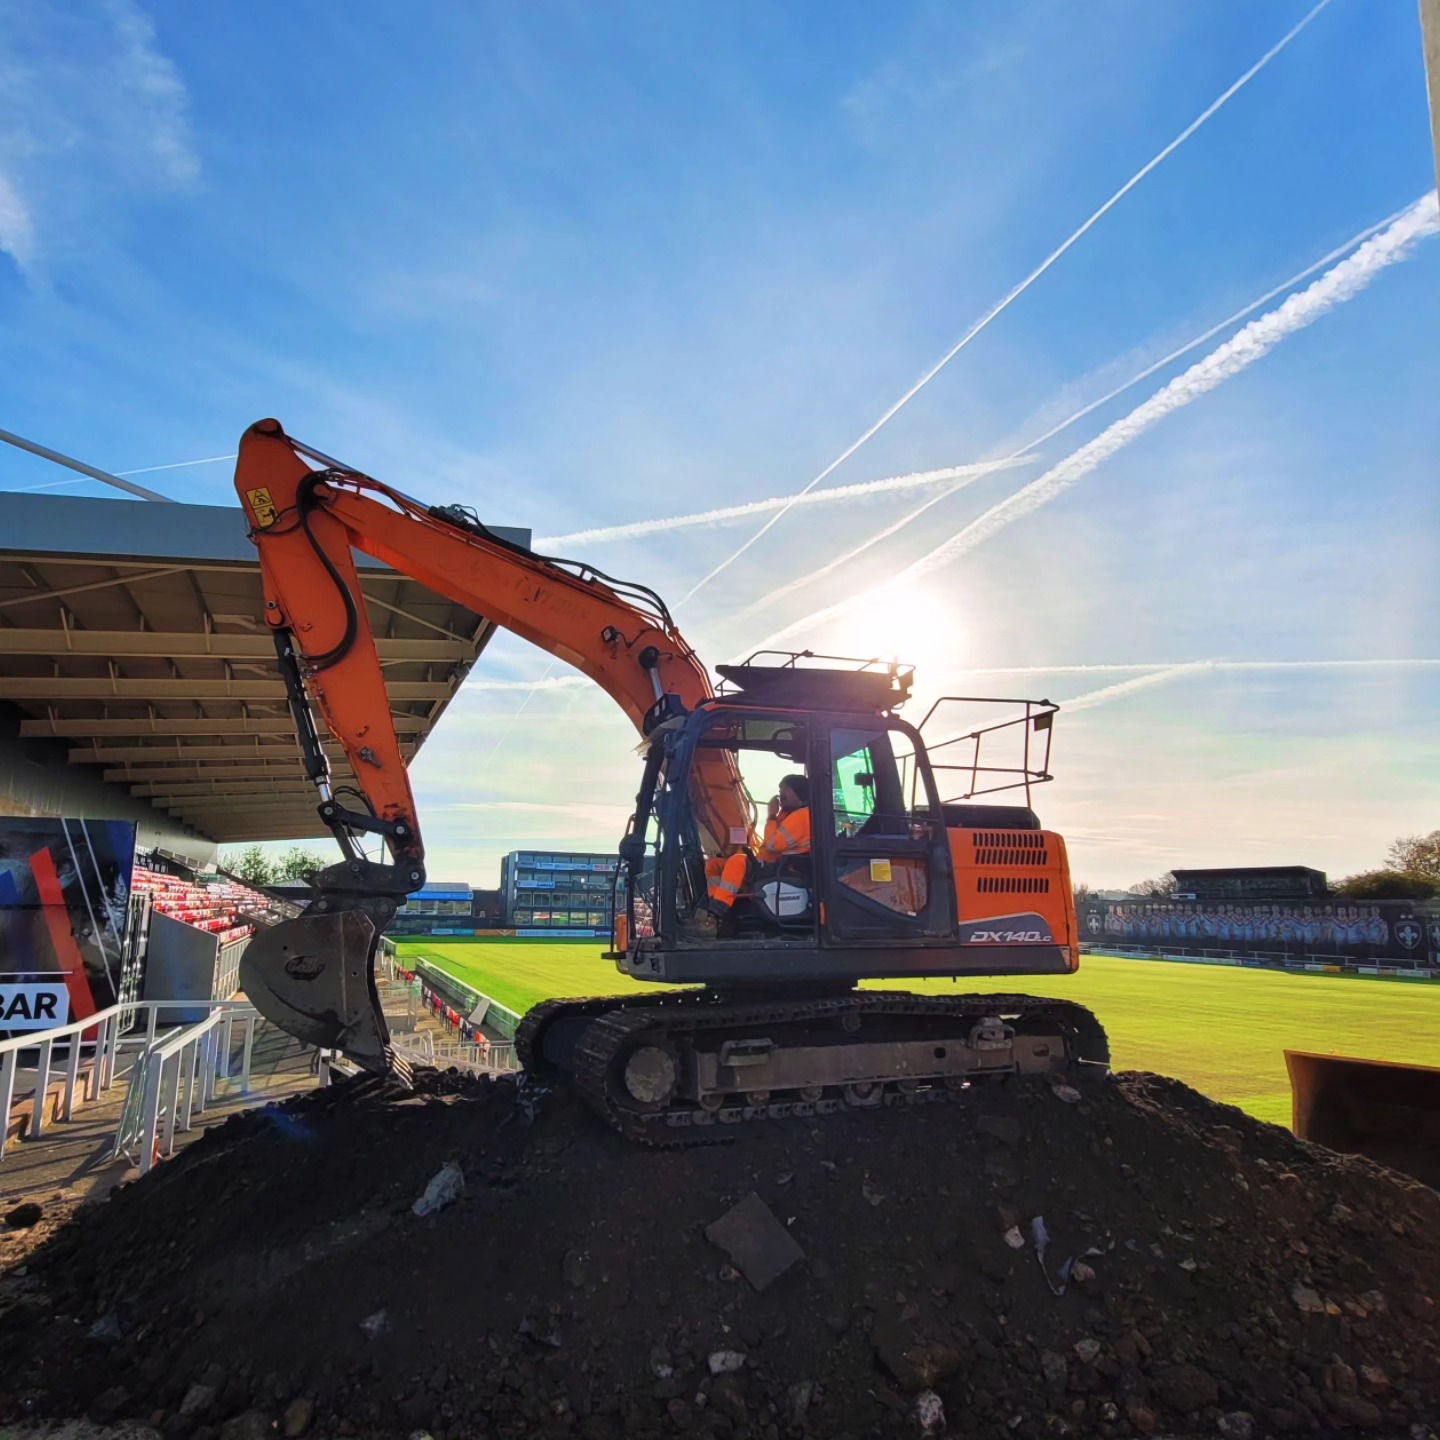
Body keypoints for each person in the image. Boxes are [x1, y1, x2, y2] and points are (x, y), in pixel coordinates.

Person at [694, 774, 811, 937]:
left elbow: (772, 845)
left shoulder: (803, 816)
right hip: (769, 864)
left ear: (799, 791)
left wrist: (771, 816)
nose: (780, 793)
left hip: (781, 868)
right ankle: (721, 911)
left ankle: (715, 914)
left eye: (785, 789)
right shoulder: (788, 815)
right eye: (780, 789)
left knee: (737, 861)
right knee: (713, 865)